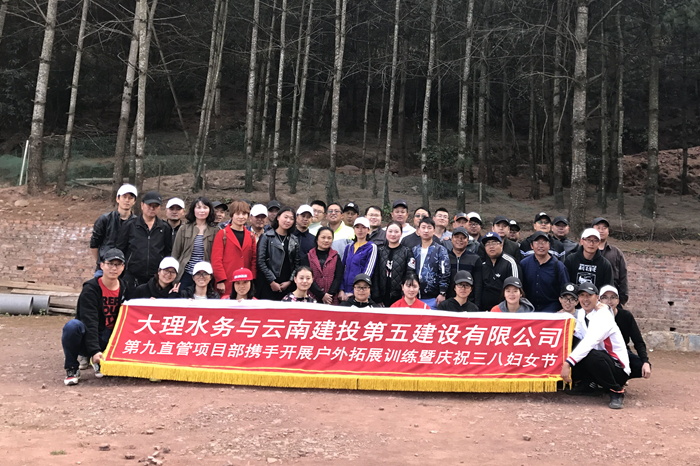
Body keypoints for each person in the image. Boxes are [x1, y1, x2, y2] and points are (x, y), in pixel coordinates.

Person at [62, 248, 128, 385]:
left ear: (123, 267)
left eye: (118, 264)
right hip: (89, 336)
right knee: (72, 327)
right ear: (102, 265)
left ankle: (103, 361)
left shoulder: (125, 287)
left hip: (111, 338)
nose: (114, 268)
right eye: (110, 264)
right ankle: (72, 368)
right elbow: (89, 321)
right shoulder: (90, 289)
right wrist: (94, 350)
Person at [562, 282, 630, 409]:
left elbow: (590, 341)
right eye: (582, 295)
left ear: (597, 298)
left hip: (618, 368)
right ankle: (588, 384)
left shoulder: (603, 315)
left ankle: (616, 391)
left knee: (591, 355)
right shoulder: (581, 314)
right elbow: (576, 334)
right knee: (571, 342)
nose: (585, 299)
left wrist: (568, 363)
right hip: (600, 360)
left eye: (589, 295)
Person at [116, 191, 172, 292]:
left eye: (155, 206)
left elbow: (168, 251)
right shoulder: (129, 225)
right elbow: (120, 249)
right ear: (142, 205)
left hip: (156, 278)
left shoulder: (165, 227)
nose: (152, 208)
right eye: (149, 205)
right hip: (132, 277)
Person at [600, 285, 651, 380]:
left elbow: (638, 341)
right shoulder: (594, 316)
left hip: (622, 351)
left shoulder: (626, 316)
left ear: (618, 301)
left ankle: (621, 378)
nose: (609, 301)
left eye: (613, 297)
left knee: (641, 366)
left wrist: (645, 361)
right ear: (599, 301)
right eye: (605, 297)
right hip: (602, 351)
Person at [90, 184, 137, 278]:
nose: (127, 200)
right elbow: (94, 244)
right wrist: (102, 262)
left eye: (130, 198)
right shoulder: (105, 219)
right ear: (117, 199)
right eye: (124, 197)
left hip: (127, 272)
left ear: (134, 201)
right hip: (104, 270)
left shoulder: (137, 223)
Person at [211, 200, 257, 297]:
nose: (241, 217)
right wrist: (220, 280)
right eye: (238, 214)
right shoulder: (222, 234)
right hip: (227, 280)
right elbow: (216, 259)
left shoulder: (251, 236)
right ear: (232, 215)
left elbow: (253, 260)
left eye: (244, 214)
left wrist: (252, 279)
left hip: (244, 282)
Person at [172, 196, 219, 290]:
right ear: (193, 210)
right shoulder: (184, 228)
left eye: (205, 207)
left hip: (205, 275)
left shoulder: (215, 230)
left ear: (210, 210)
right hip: (186, 273)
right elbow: (175, 253)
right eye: (198, 207)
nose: (202, 210)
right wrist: (174, 275)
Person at [257, 206, 301, 300]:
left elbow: (297, 263)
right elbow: (261, 261)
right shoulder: (266, 236)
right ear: (278, 217)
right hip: (268, 283)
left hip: (287, 285)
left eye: (291, 218)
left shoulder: (294, 240)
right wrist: (272, 281)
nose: (288, 221)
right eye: (286, 217)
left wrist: (290, 281)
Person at [520, 231, 570, 312]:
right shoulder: (524, 264)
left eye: (544, 242)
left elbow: (565, 290)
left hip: (552, 309)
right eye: (537, 242)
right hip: (528, 308)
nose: (541, 246)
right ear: (531, 246)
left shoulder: (558, 266)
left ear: (549, 245)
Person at [372, 221, 416, 307]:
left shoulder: (407, 252)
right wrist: (376, 296)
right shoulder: (380, 251)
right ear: (386, 232)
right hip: (381, 297)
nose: (393, 234)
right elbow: (376, 274)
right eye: (390, 231)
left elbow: (410, 274)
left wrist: (405, 294)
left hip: (400, 297)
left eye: (396, 232)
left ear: (401, 233)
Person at [412, 217, 450, 309]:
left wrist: (442, 292)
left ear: (434, 231)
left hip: (434, 297)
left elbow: (445, 272)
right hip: (414, 296)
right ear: (418, 230)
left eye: (429, 228)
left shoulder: (440, 250)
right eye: (423, 227)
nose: (426, 230)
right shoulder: (414, 250)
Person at [480, 232, 521, 312]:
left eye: (494, 243)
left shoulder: (510, 263)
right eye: (488, 244)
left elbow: (516, 288)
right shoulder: (483, 265)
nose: (491, 246)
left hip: (504, 311)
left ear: (501, 245)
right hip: (485, 311)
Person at [301, 226, 343, 305]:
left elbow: (338, 277)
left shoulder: (336, 257)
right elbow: (307, 277)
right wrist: (322, 295)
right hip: (312, 298)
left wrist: (329, 295)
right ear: (317, 239)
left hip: (331, 299)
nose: (326, 240)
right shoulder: (308, 257)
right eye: (323, 237)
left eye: (329, 238)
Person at [339, 217, 378, 301]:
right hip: (344, 292)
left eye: (363, 227)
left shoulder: (371, 247)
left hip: (360, 292)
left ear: (368, 230)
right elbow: (341, 269)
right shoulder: (349, 247)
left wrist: (355, 291)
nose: (360, 230)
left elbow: (368, 272)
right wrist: (341, 289)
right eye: (357, 227)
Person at [593, 217, 629, 305]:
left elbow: (623, 277)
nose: (601, 231)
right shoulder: (584, 252)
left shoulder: (616, 253)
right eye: (598, 228)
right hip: (590, 298)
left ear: (608, 231)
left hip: (610, 300)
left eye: (604, 228)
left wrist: (622, 298)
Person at [446, 226, 482, 308]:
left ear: (467, 240)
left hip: (469, 303)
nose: (460, 240)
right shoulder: (445, 257)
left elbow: (478, 284)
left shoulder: (475, 258)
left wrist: (477, 305)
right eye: (457, 237)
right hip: (448, 302)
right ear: (451, 239)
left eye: (463, 238)